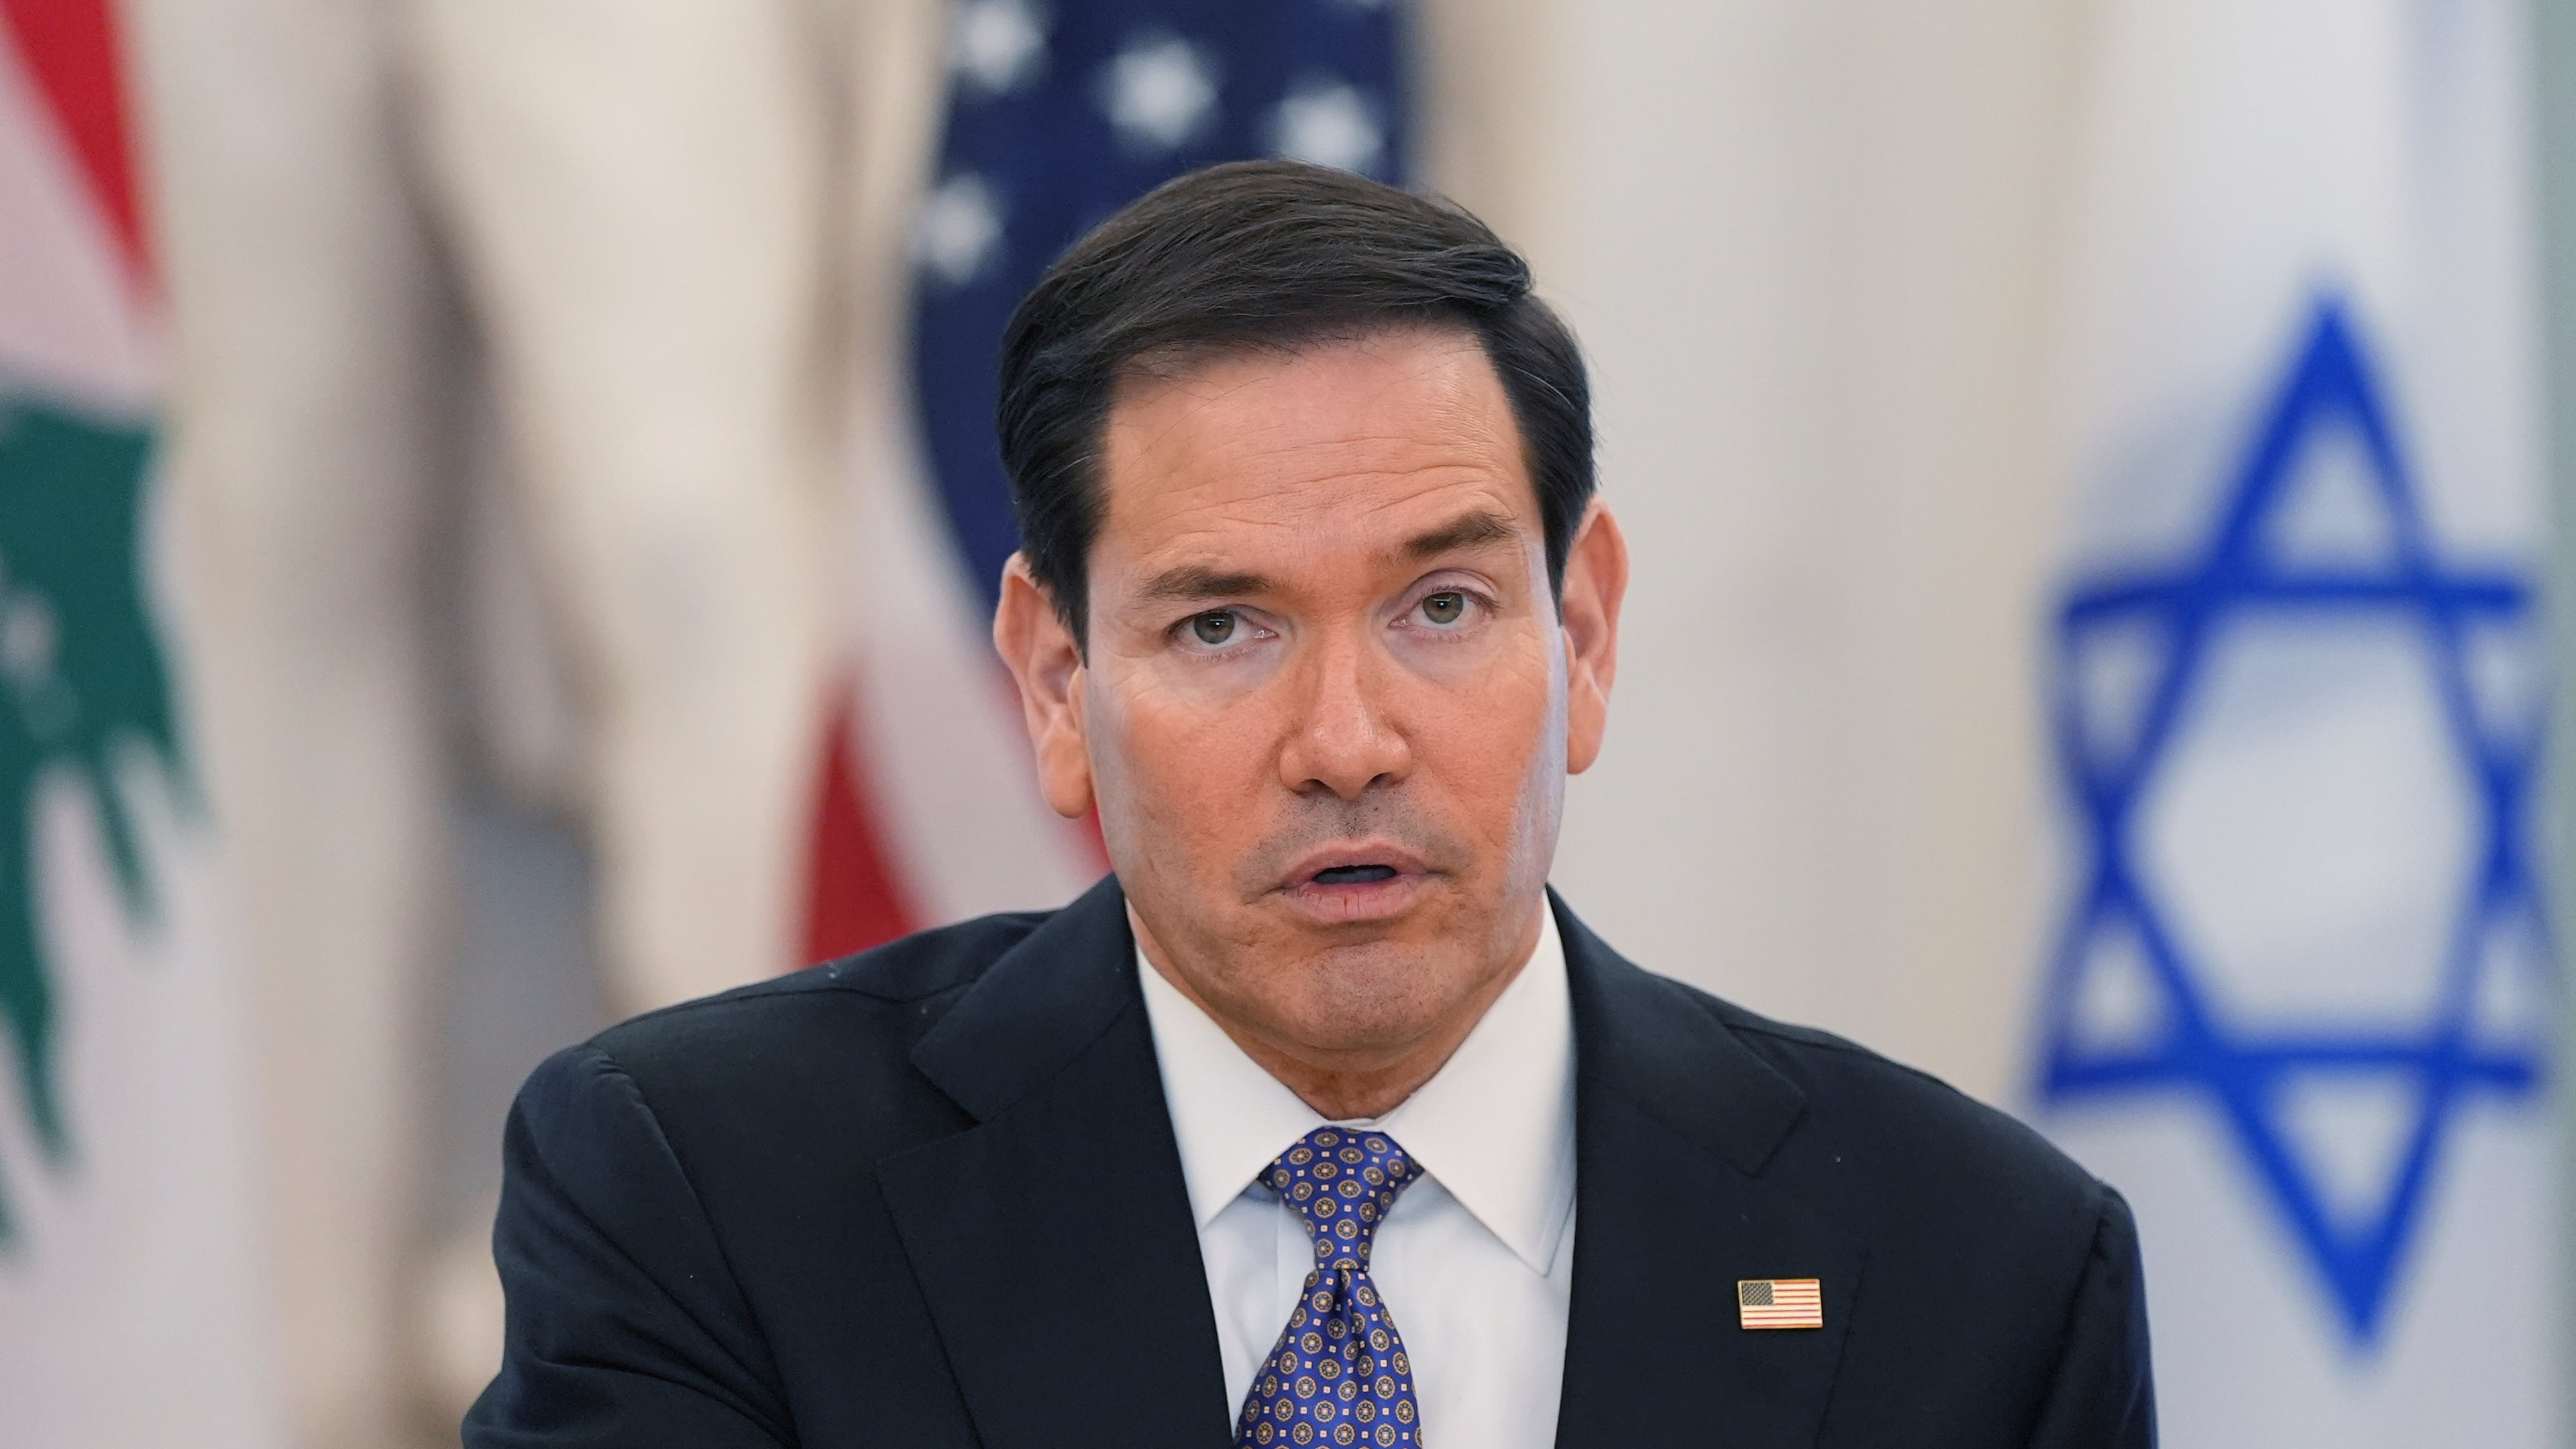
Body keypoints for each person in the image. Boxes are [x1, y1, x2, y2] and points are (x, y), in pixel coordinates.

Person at [464, 160, 2155, 1448]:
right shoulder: (708, 1199)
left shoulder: (1972, 1265)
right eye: (1223, 625)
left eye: (1441, 609)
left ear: (1583, 630)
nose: (1347, 741)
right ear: (1057, 683)